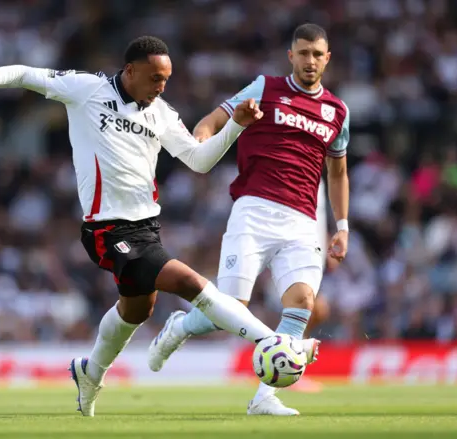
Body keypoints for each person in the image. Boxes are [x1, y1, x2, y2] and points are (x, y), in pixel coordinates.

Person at [0, 36, 320, 417]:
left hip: (146, 228)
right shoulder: (87, 89)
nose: (161, 87)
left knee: (136, 311)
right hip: (107, 230)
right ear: (130, 71)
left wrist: (236, 127)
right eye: (155, 78)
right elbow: (29, 74)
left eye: (166, 79)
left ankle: (90, 373)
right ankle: (274, 341)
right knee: (191, 284)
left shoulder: (161, 113)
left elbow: (198, 161)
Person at [148, 24, 350, 416]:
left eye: (317, 54)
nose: (310, 60)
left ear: (328, 59)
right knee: (232, 308)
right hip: (254, 210)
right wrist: (199, 143)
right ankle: (180, 326)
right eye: (303, 53)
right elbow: (214, 119)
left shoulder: (337, 111)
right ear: (291, 56)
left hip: (303, 222)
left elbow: (338, 174)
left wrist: (341, 228)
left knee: (302, 301)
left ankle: (265, 397)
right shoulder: (265, 88)